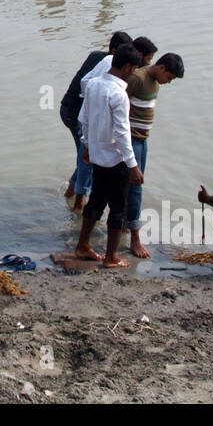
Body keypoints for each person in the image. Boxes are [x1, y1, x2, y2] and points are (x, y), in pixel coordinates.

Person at [74, 43, 144, 268]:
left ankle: (83, 244)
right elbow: (123, 133)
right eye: (134, 69)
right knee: (118, 207)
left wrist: (86, 146)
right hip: (115, 160)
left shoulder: (93, 84)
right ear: (127, 67)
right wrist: (132, 165)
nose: (134, 74)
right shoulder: (118, 94)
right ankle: (111, 257)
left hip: (97, 156)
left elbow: (84, 118)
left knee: (96, 200)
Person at [120, 52, 185, 258]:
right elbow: (118, 103)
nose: (169, 83)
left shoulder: (155, 81)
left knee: (130, 185)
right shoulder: (138, 79)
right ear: (162, 68)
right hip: (131, 140)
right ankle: (135, 238)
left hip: (142, 139)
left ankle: (124, 224)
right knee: (136, 187)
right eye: (170, 78)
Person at [60, 32, 131, 212]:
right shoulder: (108, 62)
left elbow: (85, 81)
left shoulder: (97, 56)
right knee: (88, 158)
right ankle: (78, 202)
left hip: (68, 109)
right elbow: (87, 83)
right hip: (76, 114)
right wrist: (93, 105)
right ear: (115, 51)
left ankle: (71, 192)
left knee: (86, 156)